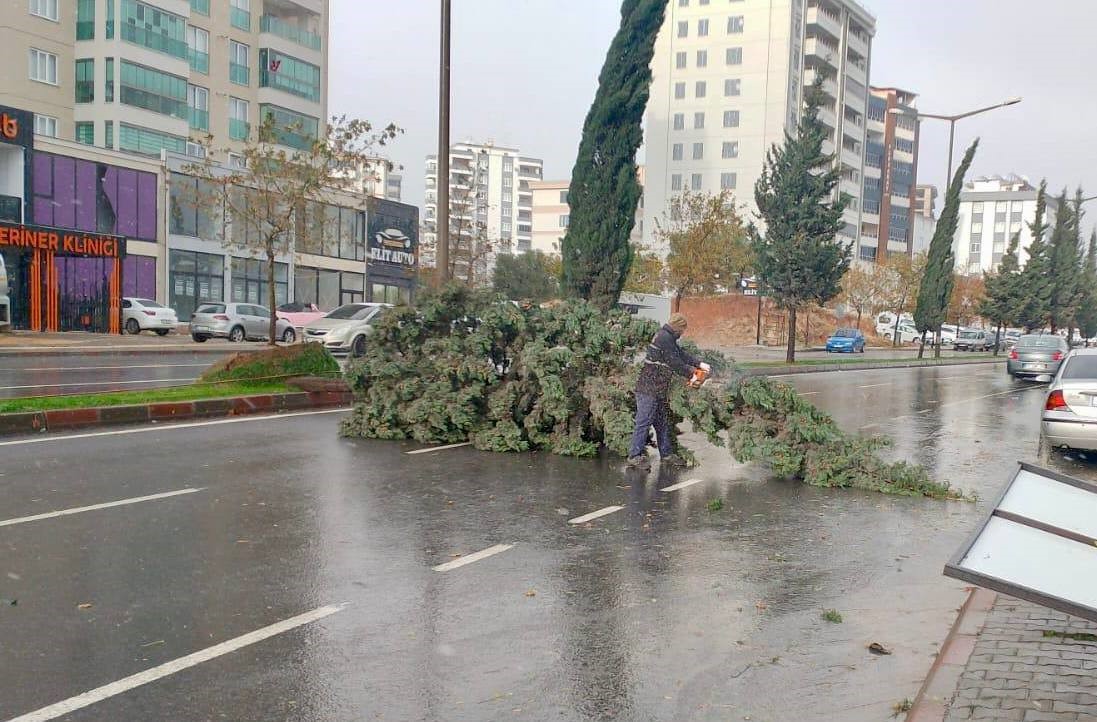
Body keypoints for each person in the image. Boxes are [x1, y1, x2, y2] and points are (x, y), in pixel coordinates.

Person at [628, 312, 700, 470]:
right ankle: (634, 456)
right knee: (643, 422)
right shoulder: (664, 338)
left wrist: (699, 363)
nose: (682, 334)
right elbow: (674, 362)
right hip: (648, 388)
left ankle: (666, 454)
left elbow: (680, 354)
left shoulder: (667, 337)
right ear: (678, 327)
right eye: (682, 330)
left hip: (657, 388)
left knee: (662, 423)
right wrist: (692, 374)